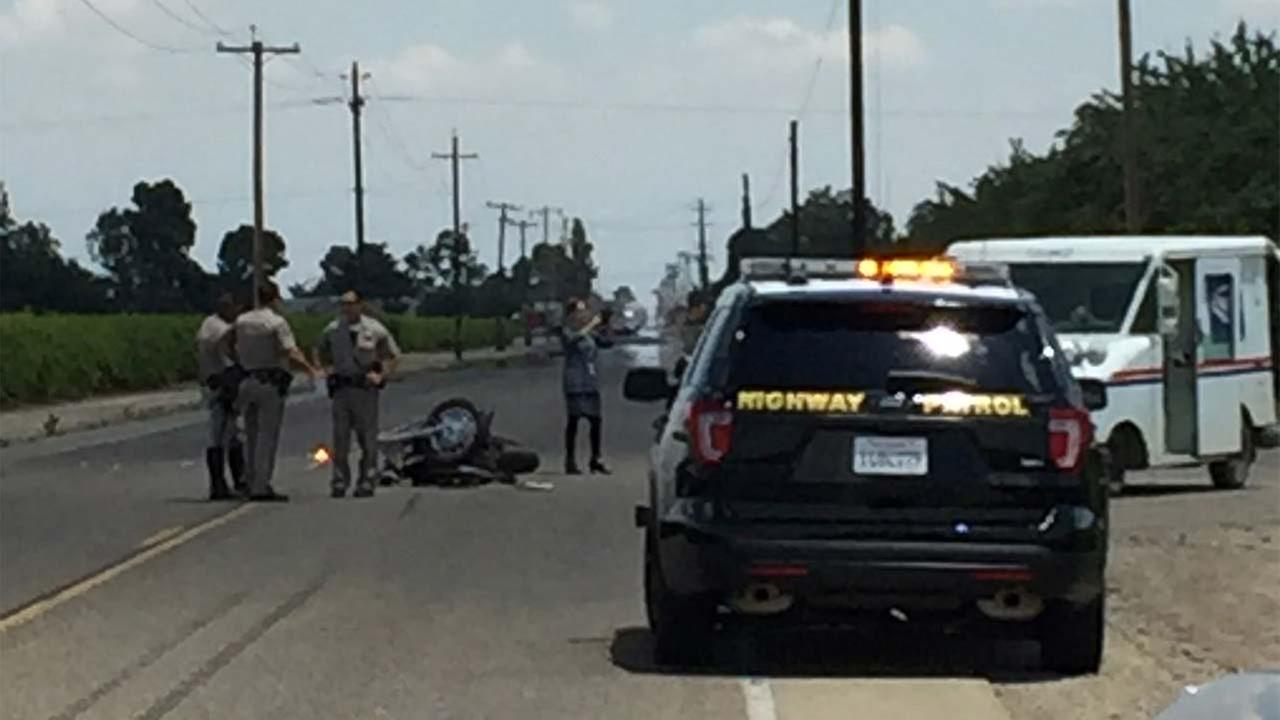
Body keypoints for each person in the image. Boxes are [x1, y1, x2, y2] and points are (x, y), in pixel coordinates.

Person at [229, 281, 321, 502]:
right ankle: (261, 485)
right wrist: (310, 369)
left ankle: (249, 479)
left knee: (250, 434)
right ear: (275, 299)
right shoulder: (276, 322)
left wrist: (240, 360)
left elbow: (227, 343)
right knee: (266, 436)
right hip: (270, 381)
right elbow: (290, 350)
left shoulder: (242, 321)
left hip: (247, 378)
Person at [314, 290, 401, 499]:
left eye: (351, 303)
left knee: (367, 438)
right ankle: (339, 481)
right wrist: (324, 370)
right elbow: (318, 350)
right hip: (342, 389)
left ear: (360, 305)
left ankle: (367, 479)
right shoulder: (333, 329)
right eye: (343, 304)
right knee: (341, 438)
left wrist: (382, 375)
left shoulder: (374, 328)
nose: (347, 308)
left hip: (365, 389)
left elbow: (393, 355)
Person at [195, 294, 247, 500]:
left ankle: (232, 481)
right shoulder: (220, 328)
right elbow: (229, 350)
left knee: (229, 434)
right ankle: (224, 483)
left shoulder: (208, 325)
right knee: (223, 434)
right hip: (221, 384)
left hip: (214, 382)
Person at [559, 298, 613, 475]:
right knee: (573, 420)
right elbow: (572, 340)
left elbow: (607, 342)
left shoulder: (590, 333)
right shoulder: (567, 331)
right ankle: (570, 460)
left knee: (596, 420)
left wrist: (606, 323)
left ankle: (596, 458)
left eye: (585, 311)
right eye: (579, 311)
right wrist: (591, 325)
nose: (583, 315)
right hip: (574, 380)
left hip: (590, 379)